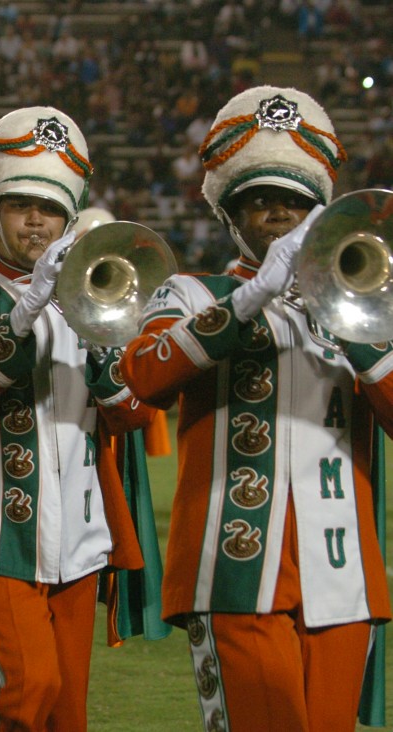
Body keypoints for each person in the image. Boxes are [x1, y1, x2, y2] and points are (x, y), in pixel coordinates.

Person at [120, 85, 392, 732]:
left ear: (321, 214)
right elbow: (144, 377)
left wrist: (351, 318)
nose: (277, 213)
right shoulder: (191, 293)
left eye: (295, 202)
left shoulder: (370, 303)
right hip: (233, 568)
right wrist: (247, 301)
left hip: (342, 572)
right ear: (228, 213)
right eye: (258, 199)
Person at [0, 107, 154, 730]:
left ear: (70, 219)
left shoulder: (97, 293)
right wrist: (23, 315)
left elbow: (132, 413)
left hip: (81, 529)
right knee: (25, 689)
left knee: (67, 711)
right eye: (20, 205)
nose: (36, 221)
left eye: (50, 208)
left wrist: (98, 334)